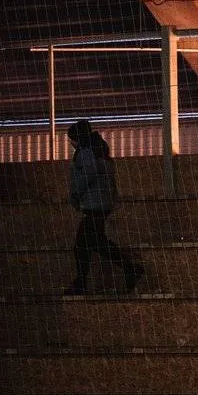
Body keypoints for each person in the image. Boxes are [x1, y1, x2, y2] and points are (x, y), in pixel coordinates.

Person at [65, 119, 143, 295]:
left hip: (93, 205)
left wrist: (76, 193)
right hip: (103, 204)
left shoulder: (85, 152)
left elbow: (88, 173)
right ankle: (128, 270)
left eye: (72, 139)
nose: (71, 143)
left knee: (84, 245)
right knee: (92, 243)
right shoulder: (100, 150)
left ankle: (129, 269)